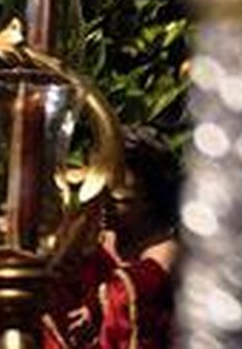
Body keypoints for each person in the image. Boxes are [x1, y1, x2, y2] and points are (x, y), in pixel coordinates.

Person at [46, 126, 180, 349]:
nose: (104, 205)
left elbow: (134, 311)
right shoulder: (98, 235)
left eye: (118, 198)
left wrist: (99, 311)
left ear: (149, 199)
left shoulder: (165, 254)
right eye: (100, 191)